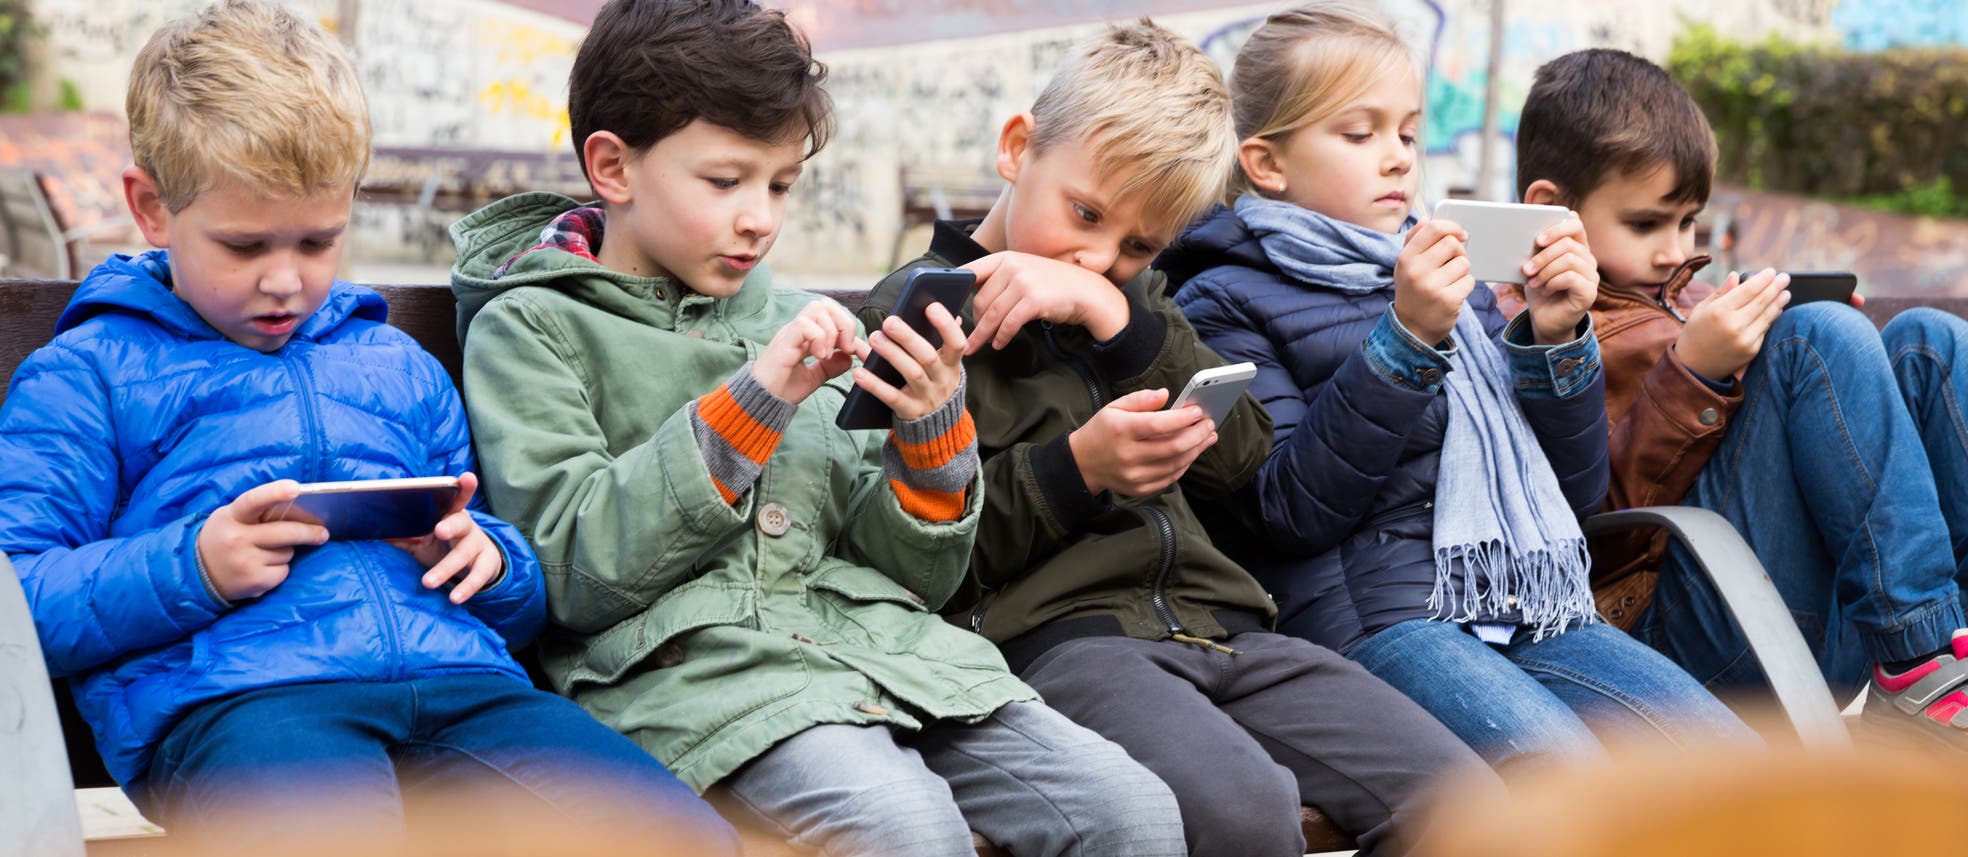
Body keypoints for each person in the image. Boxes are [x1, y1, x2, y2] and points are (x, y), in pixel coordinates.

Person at [0, 2, 738, 853]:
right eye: (245, 246)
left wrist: (486, 559)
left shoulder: (396, 365)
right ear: (151, 207)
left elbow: (518, 596)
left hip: (463, 687)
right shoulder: (87, 375)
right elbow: (17, 600)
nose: (285, 279)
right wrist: (193, 565)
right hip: (244, 705)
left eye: (319, 241)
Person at [450, 2, 1185, 855]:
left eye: (781, 184)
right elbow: (574, 572)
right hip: (695, 680)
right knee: (908, 829)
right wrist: (753, 403)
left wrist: (933, 427)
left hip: (892, 661)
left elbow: (912, 576)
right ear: (613, 167)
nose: (760, 216)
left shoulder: (798, 317)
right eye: (725, 182)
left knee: (1133, 812)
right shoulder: (532, 326)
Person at [862, 18, 1497, 857]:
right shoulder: (918, 317)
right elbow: (912, 562)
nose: (1096, 257)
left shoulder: (1139, 305)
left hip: (1226, 628)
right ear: (1018, 148)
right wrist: (1077, 469)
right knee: (1242, 810)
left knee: (1475, 806)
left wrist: (1117, 319)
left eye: (1137, 245)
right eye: (1084, 213)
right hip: (1062, 642)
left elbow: (1245, 462)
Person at [1156, 0, 1756, 770]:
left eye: (1407, 132)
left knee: (1735, 768)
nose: (1400, 156)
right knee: (1570, 780)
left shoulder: (1446, 272)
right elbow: (1287, 511)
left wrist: (1557, 337)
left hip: (1530, 608)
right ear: (1267, 163)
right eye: (1359, 133)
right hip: (1376, 623)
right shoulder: (1221, 298)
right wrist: (1403, 341)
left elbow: (1571, 491)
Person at [1505, 47, 1968, 747]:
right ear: (1550, 211)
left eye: (1689, 224)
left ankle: (1966, 661)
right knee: (1812, 338)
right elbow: (1577, 528)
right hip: (1678, 643)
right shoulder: (1530, 330)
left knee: (1930, 343)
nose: (1675, 252)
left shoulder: (1690, 298)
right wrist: (1695, 374)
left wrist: (1845, 362)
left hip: (1809, 620)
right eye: (1647, 224)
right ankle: (1924, 659)